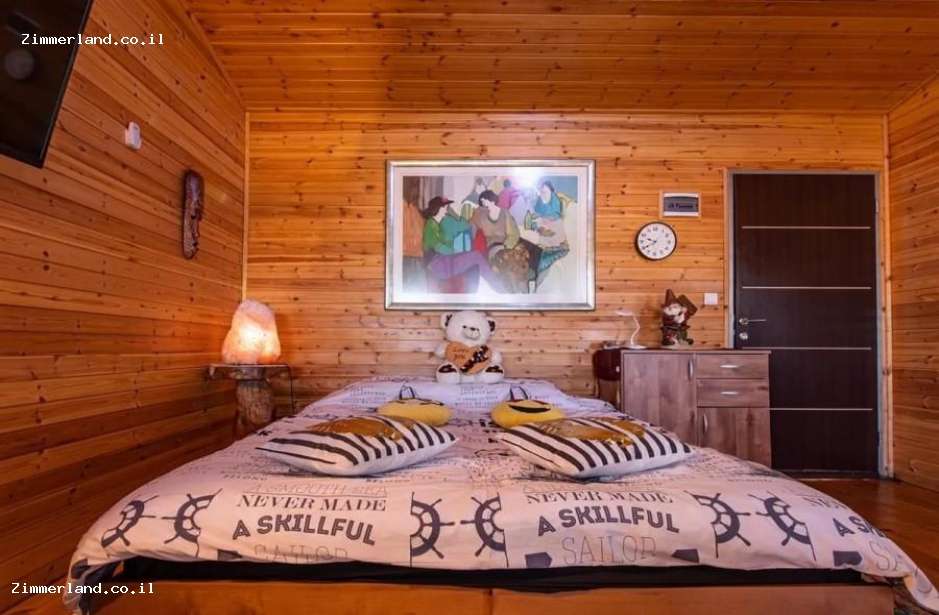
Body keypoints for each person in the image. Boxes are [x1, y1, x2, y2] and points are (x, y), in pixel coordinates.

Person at [421, 196, 504, 293]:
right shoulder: (431, 225)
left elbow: (465, 226)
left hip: (444, 260)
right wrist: (455, 251)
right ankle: (498, 287)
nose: (447, 210)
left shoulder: (441, 223)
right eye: (445, 207)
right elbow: (438, 247)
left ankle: (496, 285)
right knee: (475, 256)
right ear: (438, 209)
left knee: (474, 256)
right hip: (438, 264)